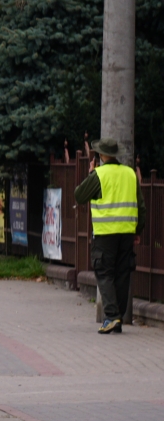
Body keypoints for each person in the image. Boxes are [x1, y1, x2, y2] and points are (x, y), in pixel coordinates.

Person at [74, 138, 146, 334]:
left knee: (104, 273)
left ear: (101, 156)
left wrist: (90, 174)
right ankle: (118, 317)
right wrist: (138, 231)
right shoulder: (130, 174)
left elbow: (79, 195)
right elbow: (141, 205)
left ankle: (112, 316)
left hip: (106, 234)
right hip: (126, 233)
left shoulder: (99, 174)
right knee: (122, 274)